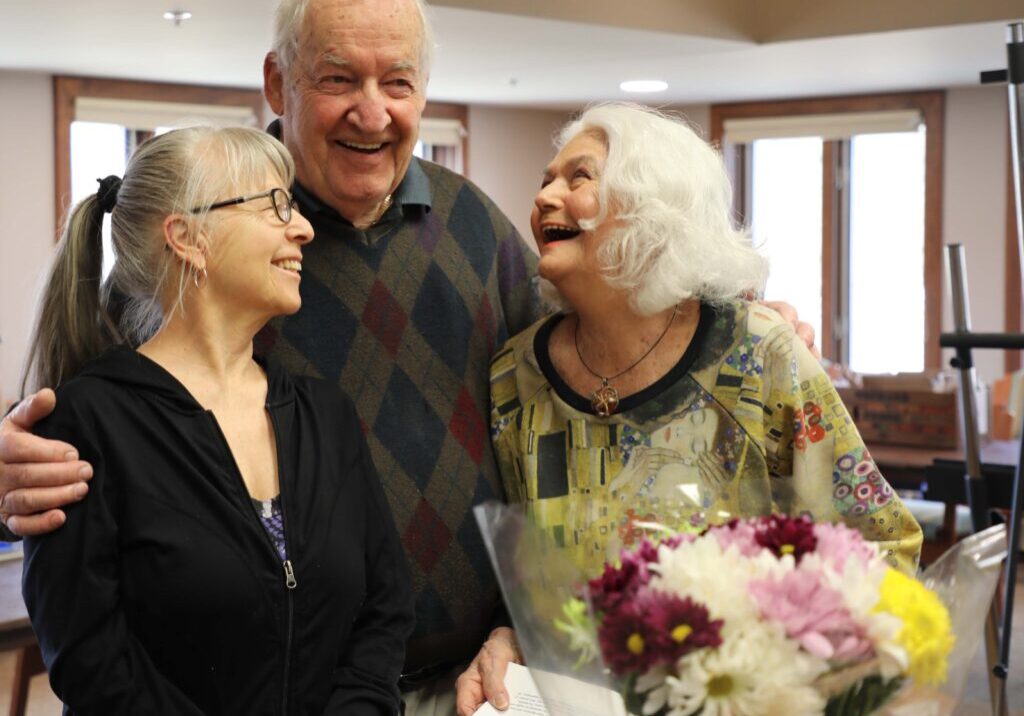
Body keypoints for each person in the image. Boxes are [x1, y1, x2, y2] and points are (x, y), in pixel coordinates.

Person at [0, 1, 818, 712]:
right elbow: (92, 420)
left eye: (398, 82)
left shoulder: (478, 227)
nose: (372, 111)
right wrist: (13, 459)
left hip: (479, 679)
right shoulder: (213, 243)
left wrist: (726, 324)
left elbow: (601, 342)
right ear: (278, 85)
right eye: (337, 80)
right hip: (275, 686)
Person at [454, 103, 924, 715]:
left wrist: (780, 662)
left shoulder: (757, 352)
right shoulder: (514, 376)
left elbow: (883, 549)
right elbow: (533, 578)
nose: (545, 196)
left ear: (654, 208)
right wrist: (515, 631)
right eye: (546, 179)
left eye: (579, 178)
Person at [19, 125, 413, 714]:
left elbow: (384, 610)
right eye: (277, 205)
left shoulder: (325, 415)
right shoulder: (86, 424)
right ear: (189, 237)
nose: (303, 227)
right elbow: (92, 663)